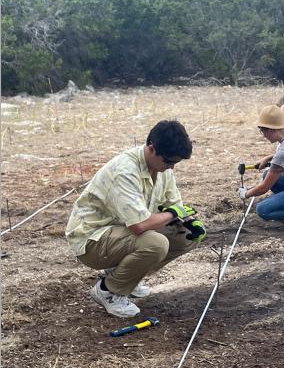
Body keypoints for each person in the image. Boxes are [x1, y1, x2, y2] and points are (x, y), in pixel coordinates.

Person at [65, 120, 206, 318]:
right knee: (156, 244)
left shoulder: (162, 169)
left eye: (176, 163)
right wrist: (174, 213)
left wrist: (187, 221)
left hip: (121, 232)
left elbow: (172, 203)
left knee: (186, 235)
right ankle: (108, 290)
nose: (172, 167)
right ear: (151, 148)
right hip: (92, 239)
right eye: (168, 161)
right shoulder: (125, 171)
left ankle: (127, 278)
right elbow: (140, 226)